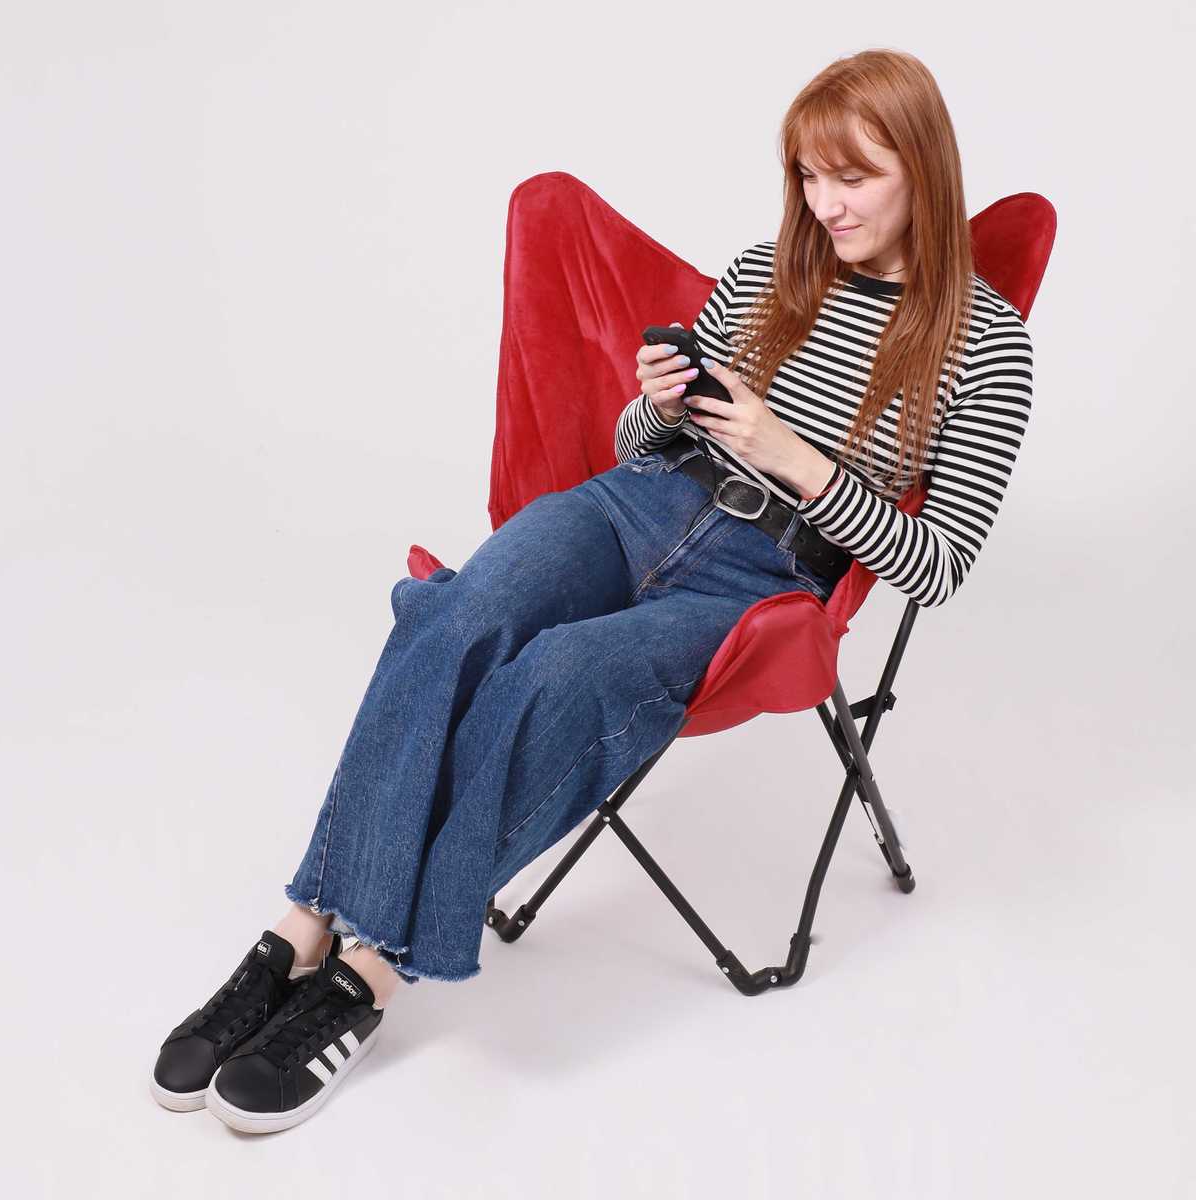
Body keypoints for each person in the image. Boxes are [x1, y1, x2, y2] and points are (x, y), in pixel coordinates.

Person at [151, 47, 1033, 1134]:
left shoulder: (986, 345)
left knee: (559, 672)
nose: (826, 204)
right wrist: (658, 402)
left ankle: (366, 978)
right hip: (634, 505)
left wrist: (793, 457)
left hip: (762, 581)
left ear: (923, 171)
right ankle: (299, 932)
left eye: (854, 177)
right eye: (809, 175)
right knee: (455, 616)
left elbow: (936, 566)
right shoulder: (766, 272)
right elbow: (634, 445)